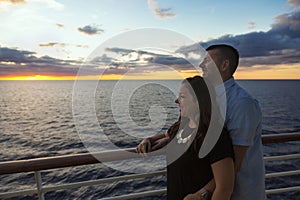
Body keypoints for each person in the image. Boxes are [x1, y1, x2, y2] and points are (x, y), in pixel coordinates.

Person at [137, 76, 235, 200]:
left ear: (198, 101)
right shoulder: (182, 126)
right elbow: (167, 135)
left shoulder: (215, 136)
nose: (177, 101)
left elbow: (225, 188)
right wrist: (149, 140)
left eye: (182, 96)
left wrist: (201, 195)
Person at [199, 44, 266, 200]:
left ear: (224, 65)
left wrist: (202, 193)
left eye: (207, 60)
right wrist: (157, 139)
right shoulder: (208, 98)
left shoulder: (242, 103)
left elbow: (235, 162)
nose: (201, 65)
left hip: (240, 193)